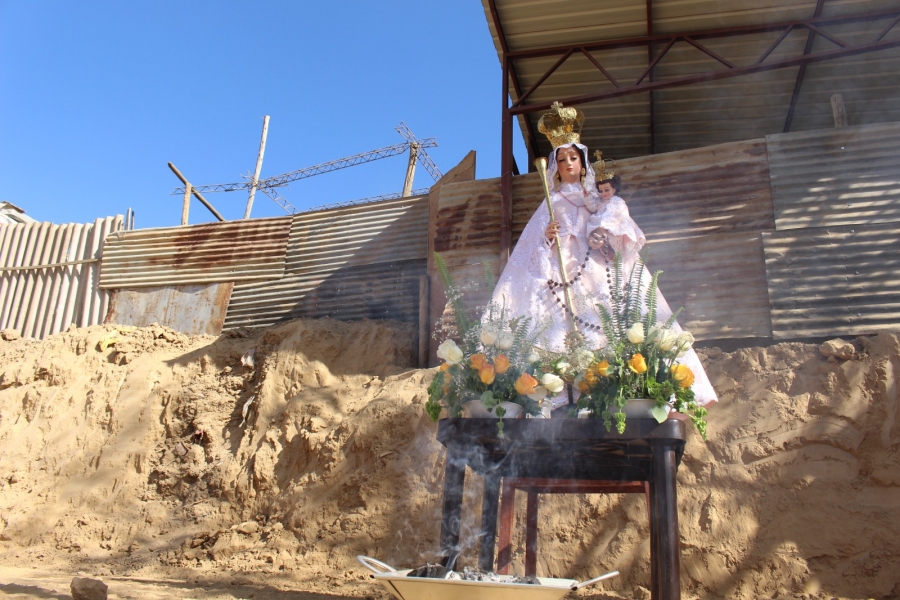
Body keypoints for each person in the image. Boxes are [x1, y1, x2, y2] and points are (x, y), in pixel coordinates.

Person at [489, 103, 717, 407]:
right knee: (559, 323)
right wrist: (547, 236)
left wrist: (604, 233)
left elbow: (619, 220)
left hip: (597, 265)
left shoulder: (598, 198)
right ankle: (561, 391)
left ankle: (624, 385)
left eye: (573, 157)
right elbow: (532, 244)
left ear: (582, 162)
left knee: (611, 315)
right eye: (562, 159)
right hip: (562, 268)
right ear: (555, 165)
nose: (568, 163)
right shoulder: (551, 199)